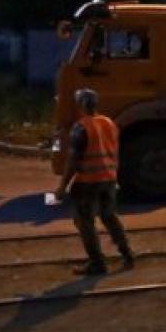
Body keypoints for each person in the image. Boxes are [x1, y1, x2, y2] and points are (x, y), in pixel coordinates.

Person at [55, 88, 135, 275]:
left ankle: (97, 263)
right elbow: (115, 152)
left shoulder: (80, 127)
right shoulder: (109, 123)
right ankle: (127, 253)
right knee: (109, 216)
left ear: (81, 105)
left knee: (85, 222)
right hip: (108, 179)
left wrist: (62, 187)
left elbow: (73, 160)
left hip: (87, 182)